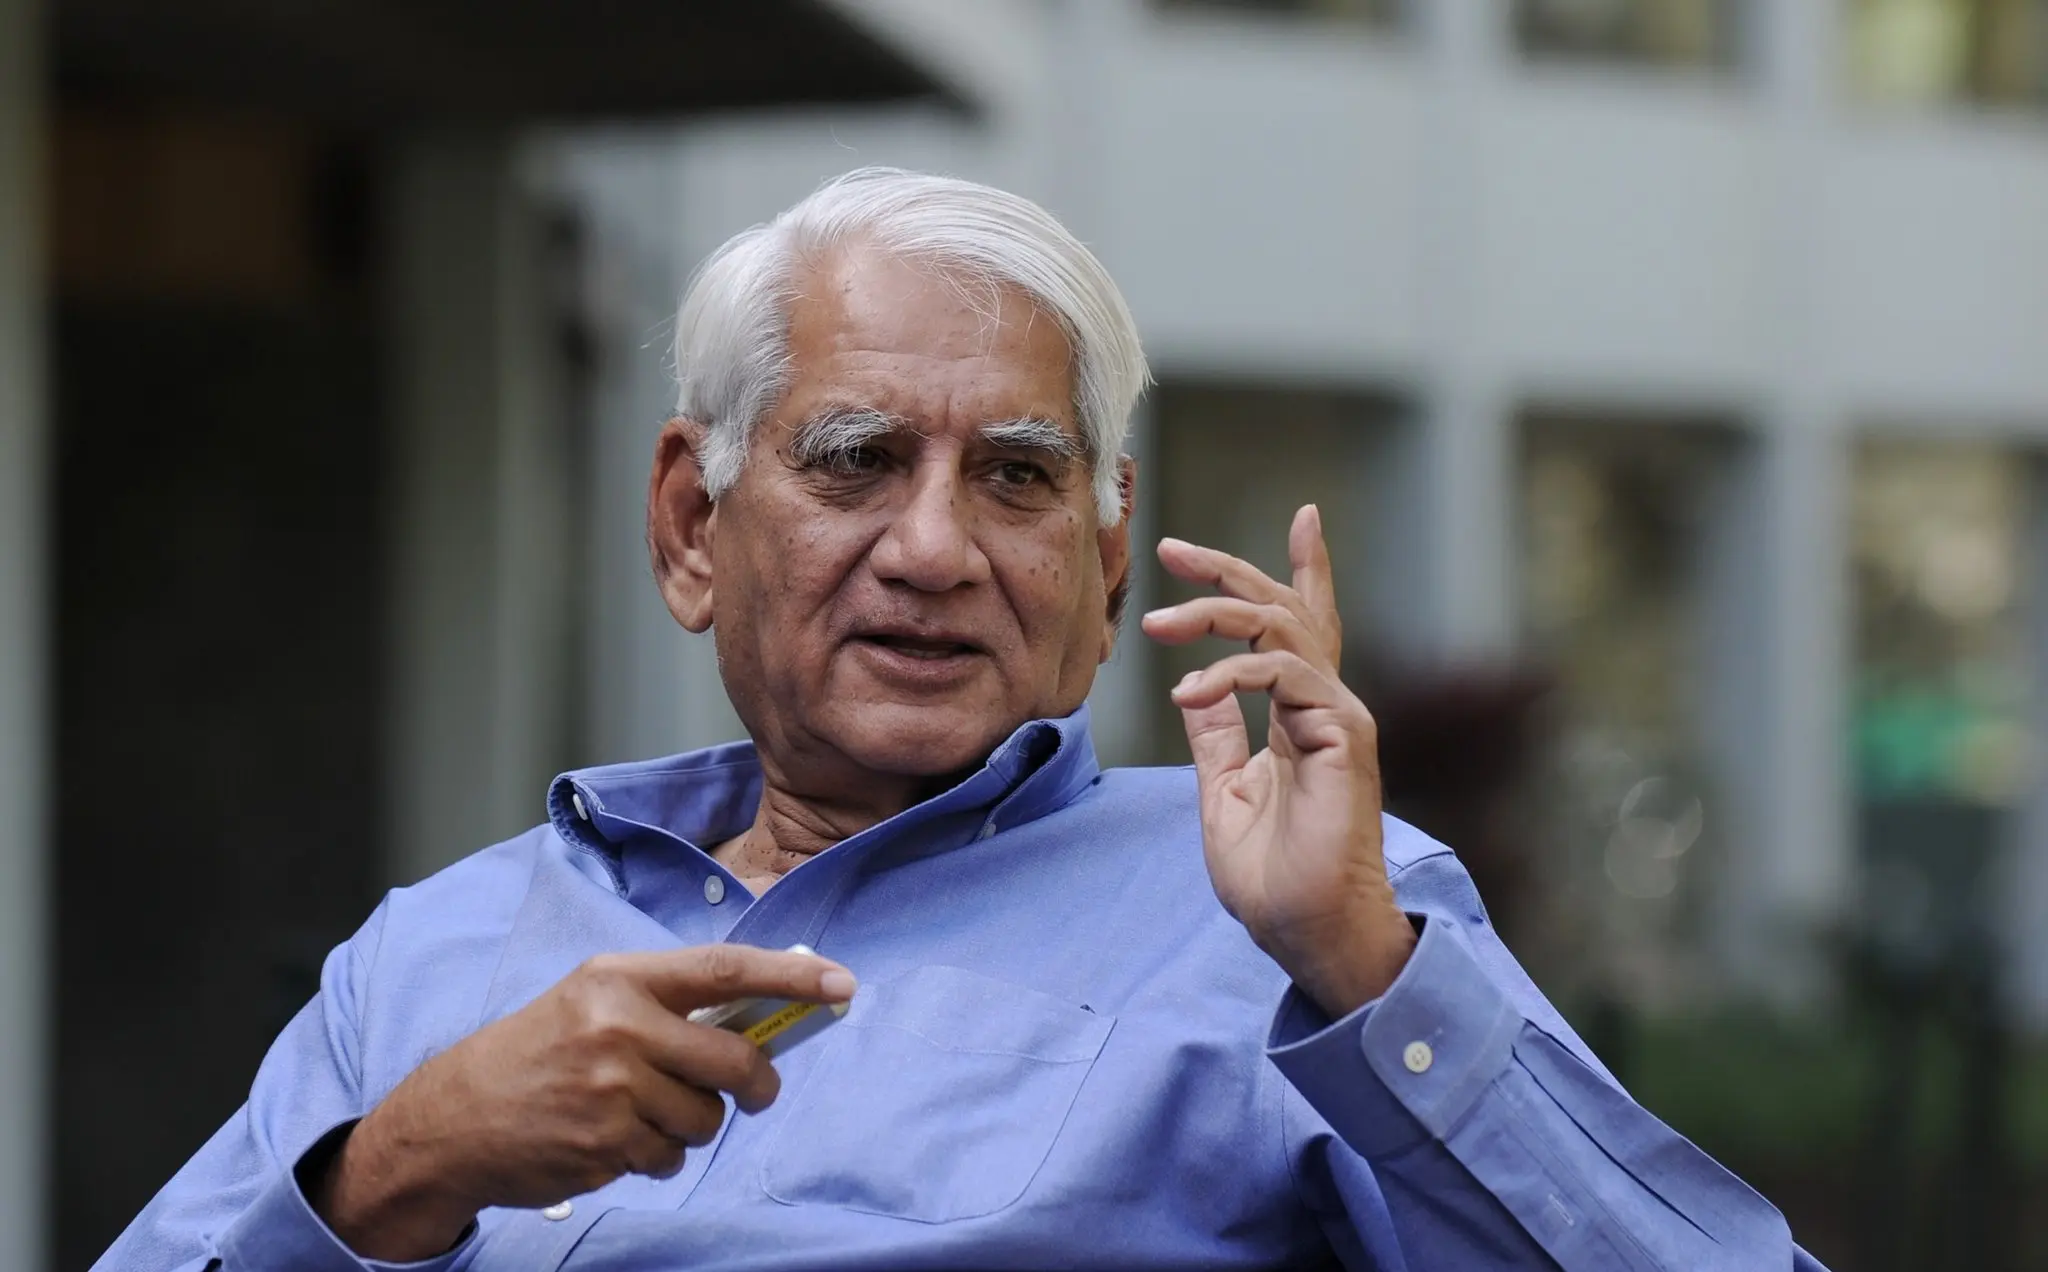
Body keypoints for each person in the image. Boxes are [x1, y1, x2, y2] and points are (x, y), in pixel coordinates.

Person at [99, 168, 1826, 1272]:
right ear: (692, 527)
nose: (934, 549)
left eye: (1015, 477)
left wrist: (1370, 976)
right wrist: (403, 1167)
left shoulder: (1299, 916)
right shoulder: (437, 959)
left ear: (1101, 564)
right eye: (857, 461)